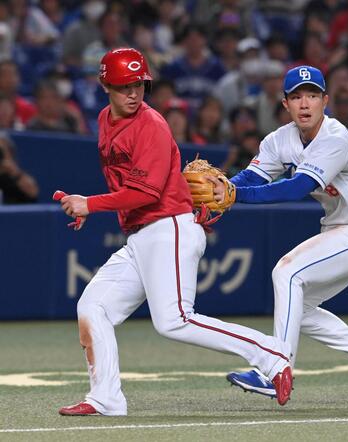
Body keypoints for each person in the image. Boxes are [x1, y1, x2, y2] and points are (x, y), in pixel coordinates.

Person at [56, 48, 292, 416]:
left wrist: (92, 204)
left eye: (139, 84)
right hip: (142, 233)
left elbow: (145, 192)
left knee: (174, 320)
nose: (133, 93)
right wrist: (95, 207)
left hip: (170, 225)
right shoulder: (105, 119)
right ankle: (106, 397)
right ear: (105, 85)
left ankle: (270, 354)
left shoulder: (150, 124)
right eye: (123, 86)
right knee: (93, 306)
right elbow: (126, 184)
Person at [208, 65, 348, 407]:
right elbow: (252, 178)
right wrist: (223, 189)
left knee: (286, 271)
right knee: (300, 307)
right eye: (297, 97)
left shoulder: (336, 139)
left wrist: (234, 198)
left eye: (312, 95)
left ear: (325, 101)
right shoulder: (280, 140)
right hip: (341, 229)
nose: (305, 103)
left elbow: (298, 188)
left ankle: (276, 368)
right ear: (286, 104)